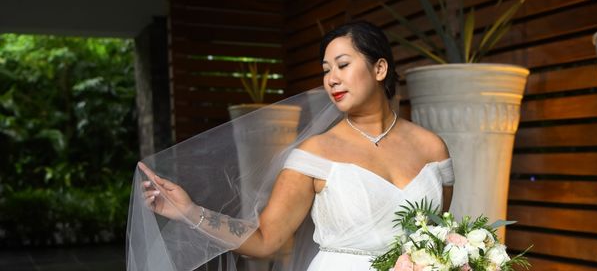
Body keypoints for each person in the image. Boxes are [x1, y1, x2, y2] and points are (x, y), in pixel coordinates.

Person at [130, 21, 454, 271]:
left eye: (342, 65)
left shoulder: (432, 148)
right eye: (326, 70)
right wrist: (189, 212)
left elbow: (439, 235)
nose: (331, 79)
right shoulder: (315, 152)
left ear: (379, 68)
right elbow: (266, 241)